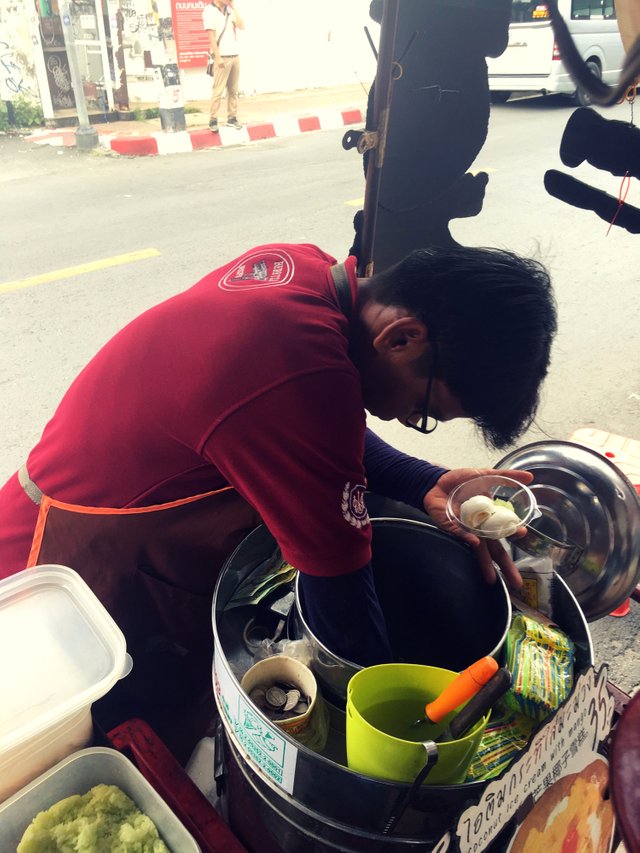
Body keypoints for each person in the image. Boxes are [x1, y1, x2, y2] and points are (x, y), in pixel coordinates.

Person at [0, 243, 556, 758]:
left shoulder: (312, 281)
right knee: (95, 744)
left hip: (118, 538)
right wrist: (381, 726)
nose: (407, 421)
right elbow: (341, 599)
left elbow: (319, 421)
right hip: (63, 569)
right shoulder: (289, 366)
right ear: (401, 337)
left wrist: (420, 481)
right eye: (424, 410)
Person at [203, 0, 244, 133]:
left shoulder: (229, 10)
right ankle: (213, 119)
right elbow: (211, 37)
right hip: (222, 57)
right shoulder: (209, 11)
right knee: (218, 90)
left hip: (235, 55)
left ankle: (232, 118)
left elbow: (241, 25)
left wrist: (234, 7)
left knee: (233, 90)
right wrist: (217, 56)